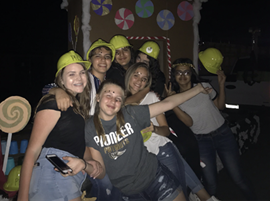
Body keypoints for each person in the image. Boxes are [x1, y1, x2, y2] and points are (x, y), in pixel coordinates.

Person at [85, 78, 212, 201]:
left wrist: (198, 89)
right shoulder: (90, 128)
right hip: (128, 192)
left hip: (155, 178)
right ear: (98, 97)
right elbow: (100, 172)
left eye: (118, 99)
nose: (113, 101)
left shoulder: (130, 114)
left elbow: (167, 103)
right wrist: (85, 165)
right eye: (108, 95)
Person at [125, 62, 219, 201]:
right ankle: (203, 196)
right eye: (136, 75)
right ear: (129, 76)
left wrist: (154, 128)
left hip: (162, 150)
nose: (139, 81)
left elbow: (166, 130)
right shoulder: (118, 100)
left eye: (144, 79)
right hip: (144, 160)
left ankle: (203, 195)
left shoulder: (151, 97)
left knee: (178, 192)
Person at [167, 58, 257, 201]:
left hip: (223, 134)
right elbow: (189, 123)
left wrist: (221, 85)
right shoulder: (175, 98)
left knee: (238, 178)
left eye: (186, 72)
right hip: (202, 141)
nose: (183, 76)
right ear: (174, 75)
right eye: (179, 72)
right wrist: (172, 102)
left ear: (192, 74)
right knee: (211, 185)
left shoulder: (203, 86)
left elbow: (220, 106)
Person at [18, 50, 103, 201]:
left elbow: (75, 145)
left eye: (82, 73)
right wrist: (22, 197)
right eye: (71, 74)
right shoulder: (53, 103)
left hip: (69, 172)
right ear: (61, 80)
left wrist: (89, 163)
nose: (79, 78)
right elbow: (33, 150)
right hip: (53, 168)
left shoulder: (77, 109)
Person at [134, 42, 202, 180]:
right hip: (147, 117)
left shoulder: (158, 77)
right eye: (139, 58)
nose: (140, 62)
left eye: (146, 61)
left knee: (190, 142)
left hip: (162, 112)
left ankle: (197, 177)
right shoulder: (131, 74)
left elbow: (160, 103)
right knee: (179, 149)